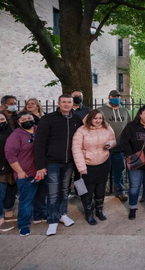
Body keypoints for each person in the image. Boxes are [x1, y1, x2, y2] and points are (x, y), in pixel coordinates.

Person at [34, 94, 83, 236]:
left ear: (72, 103)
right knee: (53, 193)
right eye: (64, 102)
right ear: (59, 103)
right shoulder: (48, 119)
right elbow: (39, 143)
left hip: (68, 162)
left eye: (69, 102)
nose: (67, 104)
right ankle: (52, 220)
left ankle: (62, 214)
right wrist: (40, 165)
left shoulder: (76, 119)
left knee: (64, 191)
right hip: (52, 162)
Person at [5, 111, 46, 236]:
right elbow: (10, 155)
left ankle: (39, 215)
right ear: (18, 122)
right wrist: (20, 172)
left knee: (40, 196)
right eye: (23, 119)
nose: (27, 120)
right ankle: (23, 224)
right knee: (26, 200)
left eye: (29, 118)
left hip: (41, 171)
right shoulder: (16, 135)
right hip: (26, 173)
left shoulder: (39, 130)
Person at [72, 109, 115, 225]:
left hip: (103, 162)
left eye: (100, 118)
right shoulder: (81, 131)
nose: (98, 120)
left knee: (101, 188)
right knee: (87, 191)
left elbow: (113, 140)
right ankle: (89, 212)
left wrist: (110, 144)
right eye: (95, 118)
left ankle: (99, 209)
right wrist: (81, 167)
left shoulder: (107, 128)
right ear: (90, 119)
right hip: (87, 164)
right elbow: (76, 149)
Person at [119, 105, 145, 219]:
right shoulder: (131, 127)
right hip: (136, 162)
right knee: (134, 186)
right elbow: (123, 142)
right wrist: (132, 155)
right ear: (140, 114)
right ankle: (133, 207)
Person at [98, 90, 131, 202]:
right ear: (109, 97)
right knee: (102, 171)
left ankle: (120, 191)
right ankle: (101, 191)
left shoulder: (125, 111)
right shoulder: (101, 110)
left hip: (119, 147)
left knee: (119, 170)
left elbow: (129, 127)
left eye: (118, 96)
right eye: (114, 96)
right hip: (104, 147)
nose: (116, 98)